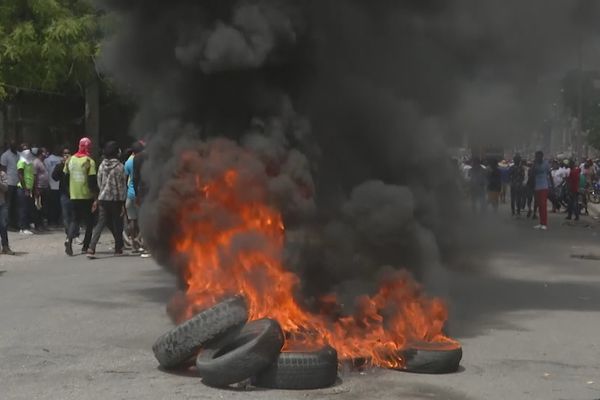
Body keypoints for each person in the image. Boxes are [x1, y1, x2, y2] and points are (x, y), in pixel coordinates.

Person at [88, 142, 127, 257]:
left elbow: (99, 182)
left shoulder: (101, 165)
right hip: (116, 199)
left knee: (101, 223)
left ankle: (91, 247)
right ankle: (118, 248)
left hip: (103, 198)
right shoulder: (120, 167)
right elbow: (122, 185)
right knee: (117, 223)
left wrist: (102, 193)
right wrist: (122, 201)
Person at [64, 137, 97, 256]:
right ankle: (85, 246)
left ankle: (69, 239)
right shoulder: (89, 161)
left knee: (75, 219)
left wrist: (70, 191)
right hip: (86, 196)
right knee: (89, 222)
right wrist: (96, 197)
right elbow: (92, 181)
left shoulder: (70, 160)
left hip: (73, 195)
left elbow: (66, 177)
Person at [124, 141, 144, 251]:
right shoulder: (141, 160)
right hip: (138, 193)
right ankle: (139, 239)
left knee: (132, 220)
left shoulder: (127, 162)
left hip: (129, 194)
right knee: (143, 220)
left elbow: (125, 177)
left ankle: (133, 243)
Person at [0, 140, 20, 230]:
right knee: (8, 204)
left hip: (18, 183)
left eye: (15, 144)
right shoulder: (5, 155)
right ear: (10, 146)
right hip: (9, 183)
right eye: (12, 144)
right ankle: (7, 224)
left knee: (16, 204)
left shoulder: (19, 155)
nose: (14, 146)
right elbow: (3, 169)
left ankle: (14, 223)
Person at [17, 148, 36, 235]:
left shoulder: (30, 163)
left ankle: (26, 226)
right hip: (23, 188)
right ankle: (22, 228)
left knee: (28, 208)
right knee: (23, 208)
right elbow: (20, 175)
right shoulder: (21, 162)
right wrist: (25, 188)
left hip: (30, 188)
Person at [532, 151, 552, 230]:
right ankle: (541, 223)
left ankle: (544, 223)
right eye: (536, 156)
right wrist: (534, 164)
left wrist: (552, 185)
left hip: (544, 186)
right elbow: (532, 173)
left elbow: (549, 174)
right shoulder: (535, 164)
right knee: (539, 205)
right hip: (537, 186)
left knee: (543, 205)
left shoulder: (546, 164)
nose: (538, 158)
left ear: (542, 156)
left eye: (539, 156)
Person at [44, 146, 63, 227]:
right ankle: (52, 221)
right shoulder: (49, 159)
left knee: (55, 205)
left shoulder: (61, 159)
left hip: (56, 185)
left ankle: (55, 221)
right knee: (53, 205)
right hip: (53, 185)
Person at [32, 148, 50, 230]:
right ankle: (37, 224)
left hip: (45, 187)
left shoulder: (43, 162)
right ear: (40, 153)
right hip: (39, 187)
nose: (46, 153)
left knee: (44, 207)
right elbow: (35, 176)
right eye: (44, 152)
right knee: (38, 207)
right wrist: (36, 189)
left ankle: (43, 224)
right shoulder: (36, 162)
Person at [0, 167, 15, 254]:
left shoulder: (2, 174)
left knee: (3, 225)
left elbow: (6, 188)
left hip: (2, 203)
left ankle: (5, 247)